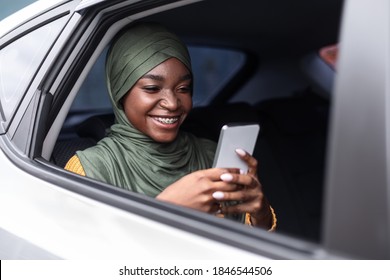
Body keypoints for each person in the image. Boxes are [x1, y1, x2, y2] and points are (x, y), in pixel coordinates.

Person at [65, 22, 276, 231]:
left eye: (183, 88)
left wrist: (261, 214)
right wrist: (166, 210)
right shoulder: (88, 169)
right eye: (152, 88)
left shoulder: (211, 154)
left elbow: (246, 241)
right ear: (120, 90)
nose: (173, 103)